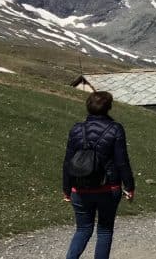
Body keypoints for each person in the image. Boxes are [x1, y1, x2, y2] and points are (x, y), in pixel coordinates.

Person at [63, 90, 135, 259]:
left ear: (88, 107)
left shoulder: (76, 129)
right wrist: (130, 186)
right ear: (109, 107)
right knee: (104, 230)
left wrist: (67, 188)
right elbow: (122, 161)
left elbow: (67, 162)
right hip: (108, 188)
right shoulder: (116, 129)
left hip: (80, 188)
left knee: (82, 230)